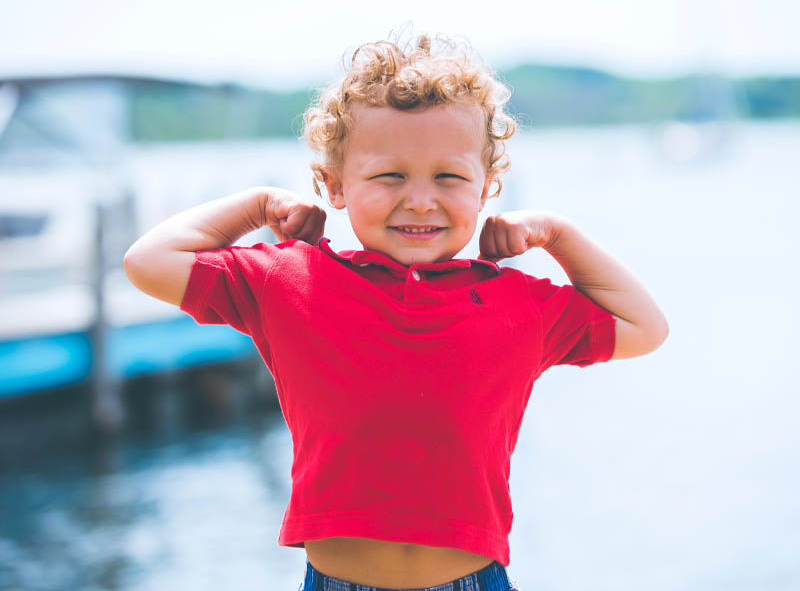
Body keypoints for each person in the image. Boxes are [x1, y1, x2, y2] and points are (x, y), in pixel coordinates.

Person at [124, 32, 668, 591]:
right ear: (334, 185)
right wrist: (257, 203)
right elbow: (148, 261)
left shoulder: (517, 301)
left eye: (449, 177)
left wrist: (560, 235)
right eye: (390, 175)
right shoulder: (291, 280)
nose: (420, 199)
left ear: (485, 190)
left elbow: (645, 328)